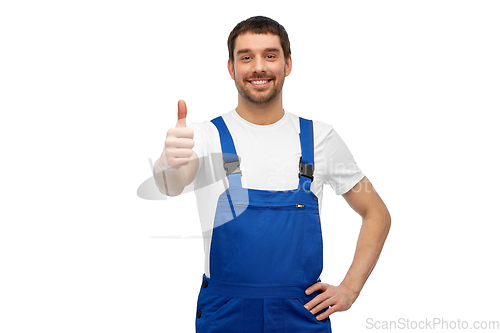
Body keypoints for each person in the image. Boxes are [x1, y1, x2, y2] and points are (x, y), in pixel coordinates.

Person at [153, 16, 391, 333]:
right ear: (231, 68)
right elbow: (170, 185)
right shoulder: (204, 136)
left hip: (302, 313)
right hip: (226, 314)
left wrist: (350, 288)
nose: (258, 67)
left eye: (270, 55)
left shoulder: (320, 138)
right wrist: (169, 161)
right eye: (246, 57)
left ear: (287, 64)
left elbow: (376, 212)